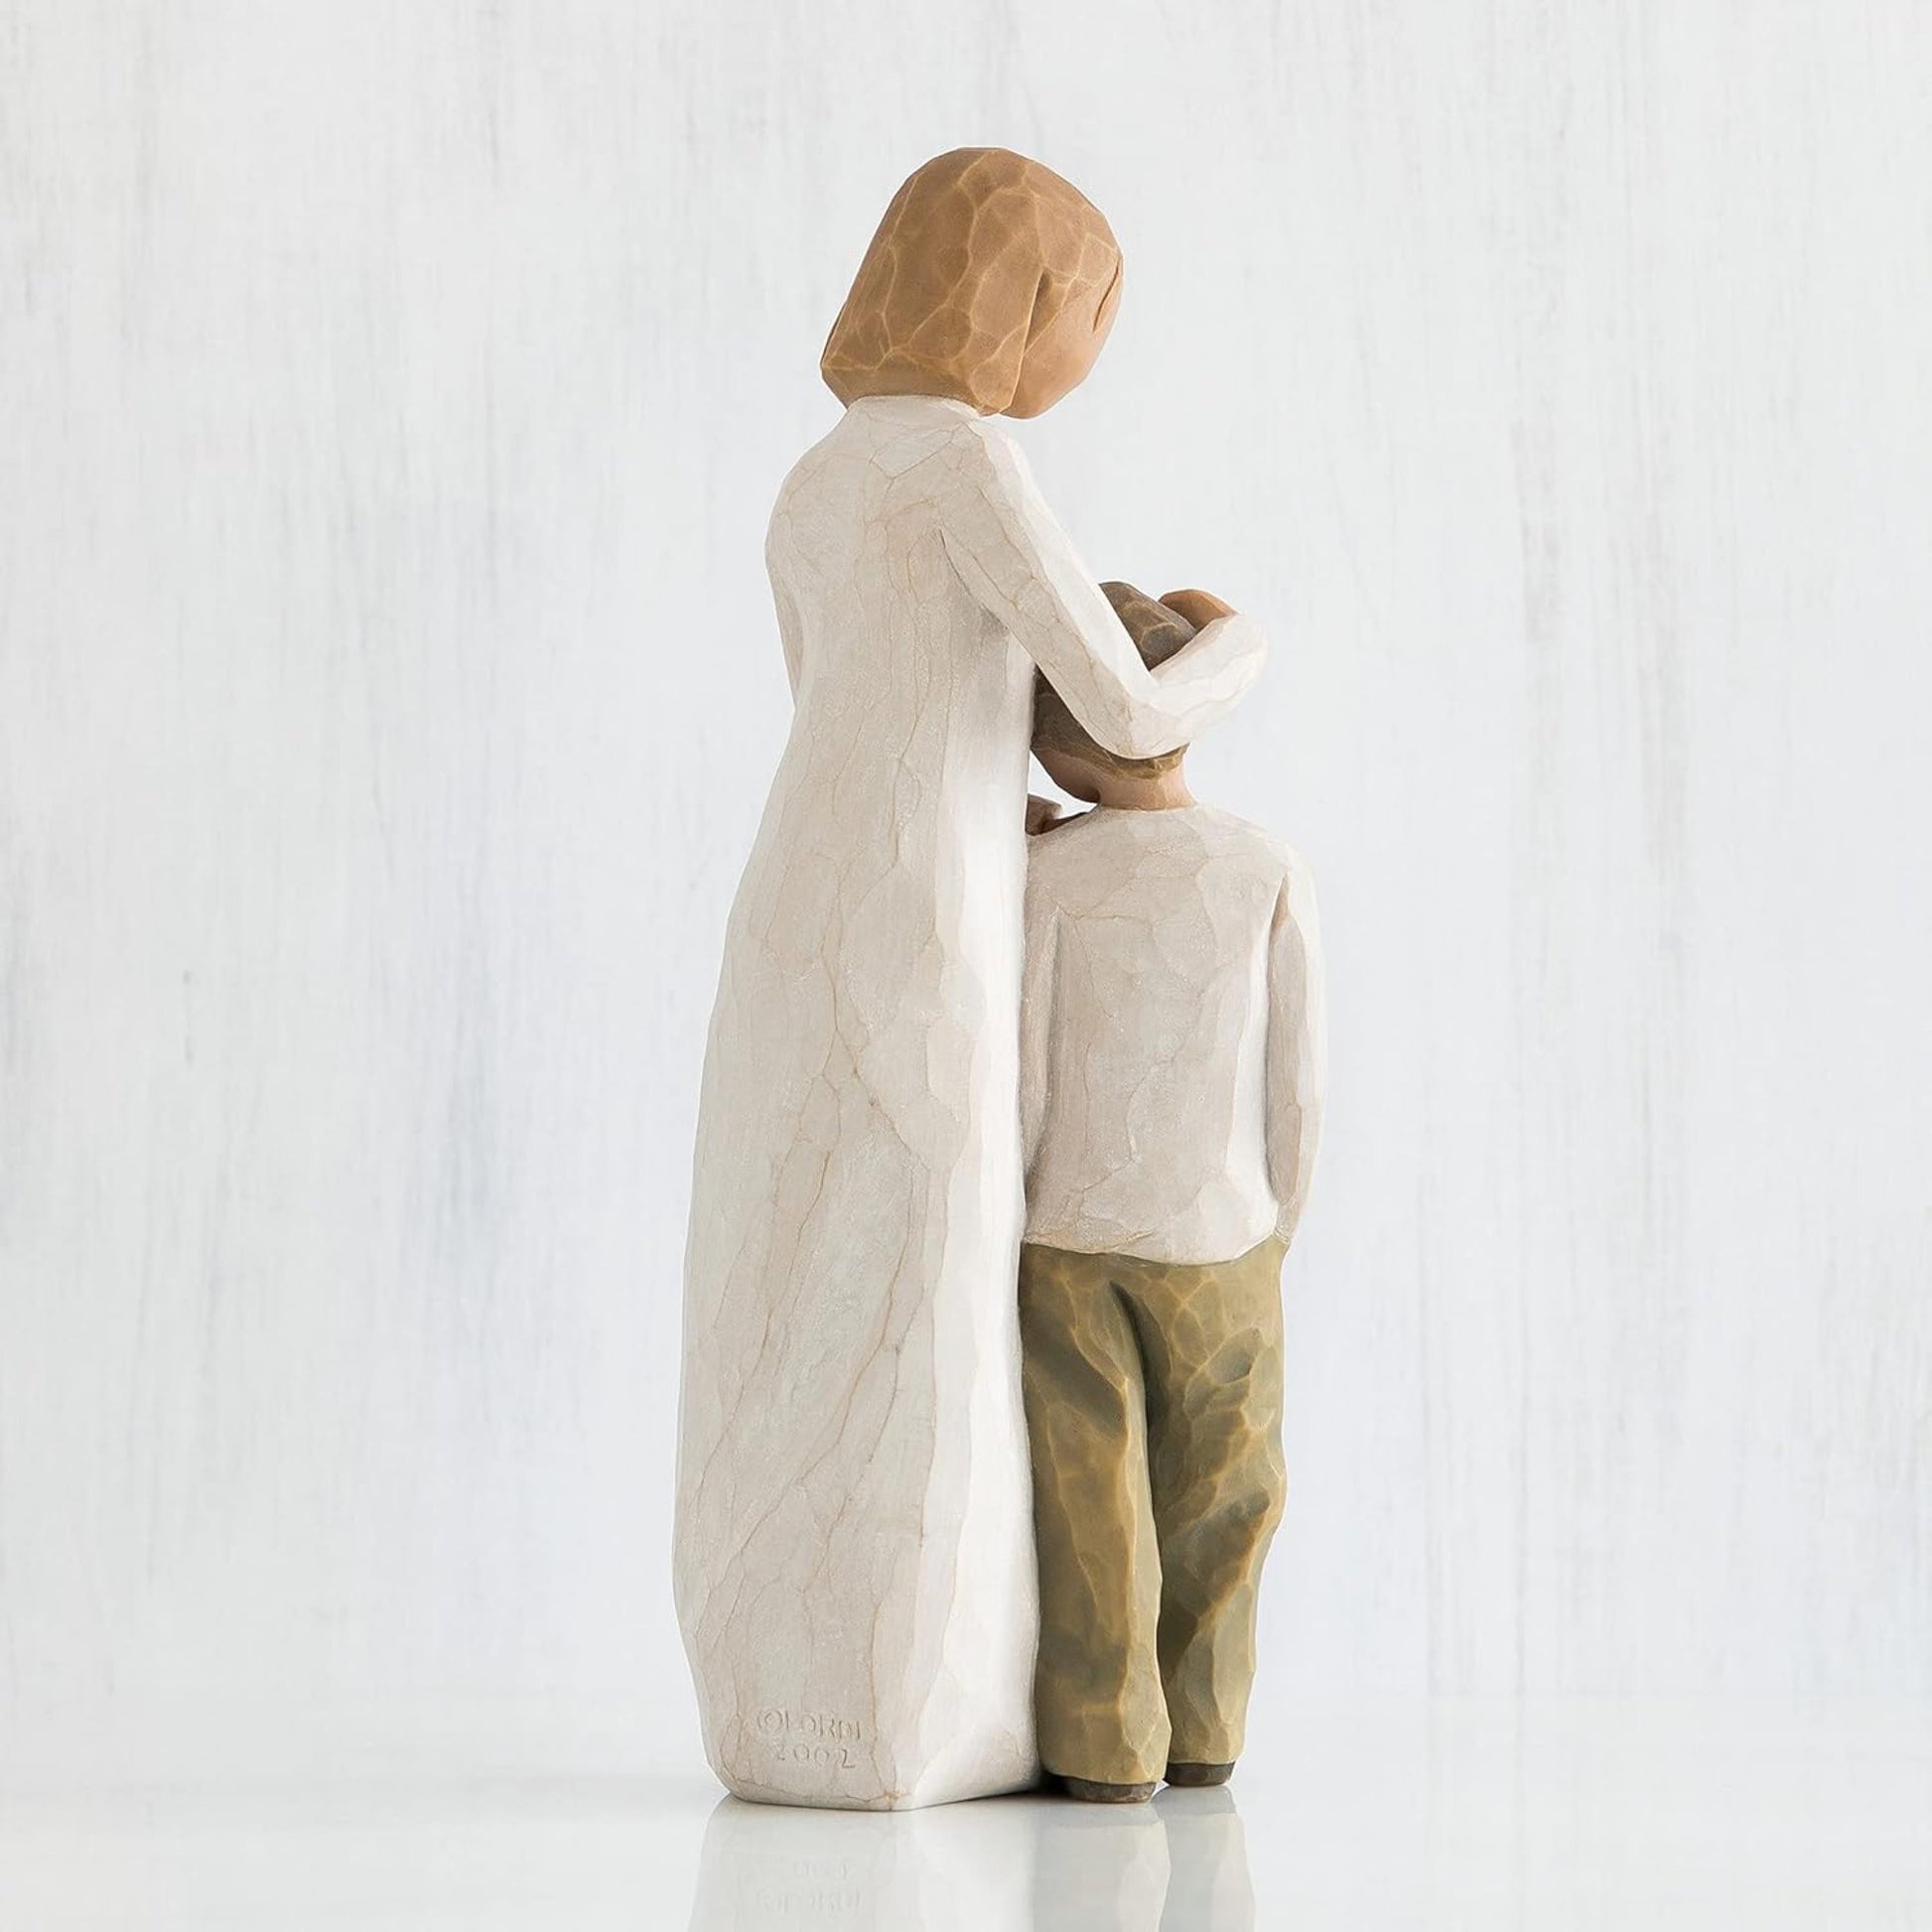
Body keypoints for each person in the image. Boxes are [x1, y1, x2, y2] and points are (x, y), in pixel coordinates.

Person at [675, 151, 1269, 1810]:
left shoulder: (813, 482)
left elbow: (855, 711)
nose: (1080, 353)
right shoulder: (965, 464)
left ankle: (786, 1684)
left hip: (798, 892)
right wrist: (1244, 645)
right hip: (923, 912)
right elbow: (1124, 711)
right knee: (921, 1272)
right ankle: (904, 1708)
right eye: (1084, 314)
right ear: (1018, 302)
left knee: (794, 1268)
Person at [1019, 584, 1326, 1804]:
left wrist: (1024, 1202)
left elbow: (1025, 1073)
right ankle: (1203, 1725)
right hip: (1224, 1234)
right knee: (1226, 1491)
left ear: (1055, 739)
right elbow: (1299, 1078)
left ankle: (1101, 1743)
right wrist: (1276, 1218)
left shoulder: (1044, 878)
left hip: (1066, 1234)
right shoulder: (1262, 865)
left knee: (1088, 1500)